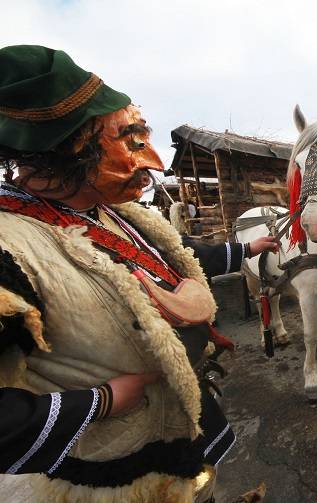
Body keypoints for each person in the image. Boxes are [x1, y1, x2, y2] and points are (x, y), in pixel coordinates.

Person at [0, 45, 276, 502]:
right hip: (111, 474)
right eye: (129, 139)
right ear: (68, 148)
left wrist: (246, 249)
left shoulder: (111, 212)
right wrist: (100, 402)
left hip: (181, 433)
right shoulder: (9, 248)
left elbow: (176, 255)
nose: (153, 161)